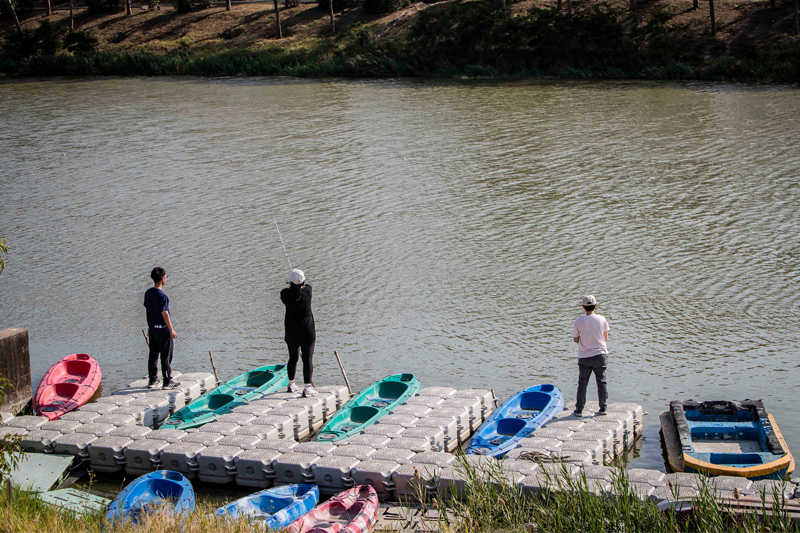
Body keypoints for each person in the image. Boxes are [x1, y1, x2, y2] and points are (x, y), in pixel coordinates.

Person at [281, 268, 317, 397]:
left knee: (293, 357)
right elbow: (305, 286)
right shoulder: (308, 291)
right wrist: (299, 283)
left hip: (291, 331)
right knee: (307, 359)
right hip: (307, 331)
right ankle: (307, 388)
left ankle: (291, 384)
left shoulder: (284, 294)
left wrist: (293, 284)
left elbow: (291, 291)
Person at [572, 295, 609, 417]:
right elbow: (605, 338)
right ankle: (603, 408)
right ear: (596, 306)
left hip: (585, 357)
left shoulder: (578, 321)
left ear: (583, 307)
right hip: (600, 355)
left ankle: (579, 410)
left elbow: (576, 340)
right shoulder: (602, 319)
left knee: (582, 383)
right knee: (601, 382)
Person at [144, 267, 179, 389]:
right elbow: (165, 313)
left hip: (152, 330)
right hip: (163, 331)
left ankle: (152, 380)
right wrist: (171, 329)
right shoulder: (162, 296)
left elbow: (147, 307)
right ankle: (167, 381)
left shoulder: (148, 293)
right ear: (163, 278)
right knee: (166, 356)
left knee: (153, 355)